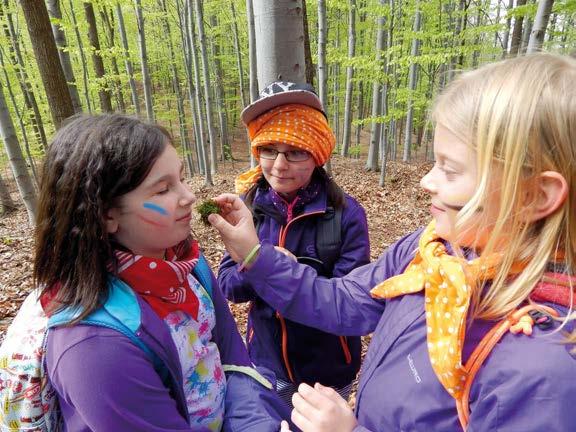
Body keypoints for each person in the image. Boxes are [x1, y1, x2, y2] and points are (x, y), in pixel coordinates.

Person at [208, 53, 576, 431]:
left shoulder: (541, 370)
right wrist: (256, 255)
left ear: (535, 195)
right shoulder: (431, 249)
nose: (426, 181)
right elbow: (345, 299)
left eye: (449, 170)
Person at [34, 114, 289, 431]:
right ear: (106, 215)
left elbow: (232, 356)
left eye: (181, 178)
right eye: (162, 190)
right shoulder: (96, 348)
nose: (188, 197)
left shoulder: (187, 266)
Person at [218, 82, 370, 406]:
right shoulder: (247, 209)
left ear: (317, 154)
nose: (278, 165)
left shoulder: (346, 215)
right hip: (268, 364)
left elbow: (352, 303)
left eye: (295, 152)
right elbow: (228, 285)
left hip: (329, 371)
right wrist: (257, 263)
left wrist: (281, 269)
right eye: (269, 150)